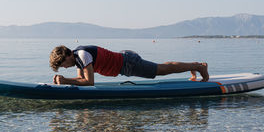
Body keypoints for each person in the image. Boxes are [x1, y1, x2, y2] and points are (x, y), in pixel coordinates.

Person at [49, 45, 209, 86]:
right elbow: (80, 78)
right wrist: (65, 81)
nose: (63, 68)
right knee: (162, 67)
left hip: (128, 64)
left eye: (63, 64)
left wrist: (65, 81)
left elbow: (89, 82)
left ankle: (198, 66)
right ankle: (192, 66)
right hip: (124, 62)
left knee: (162, 70)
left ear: (68, 55)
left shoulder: (82, 55)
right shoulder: (77, 58)